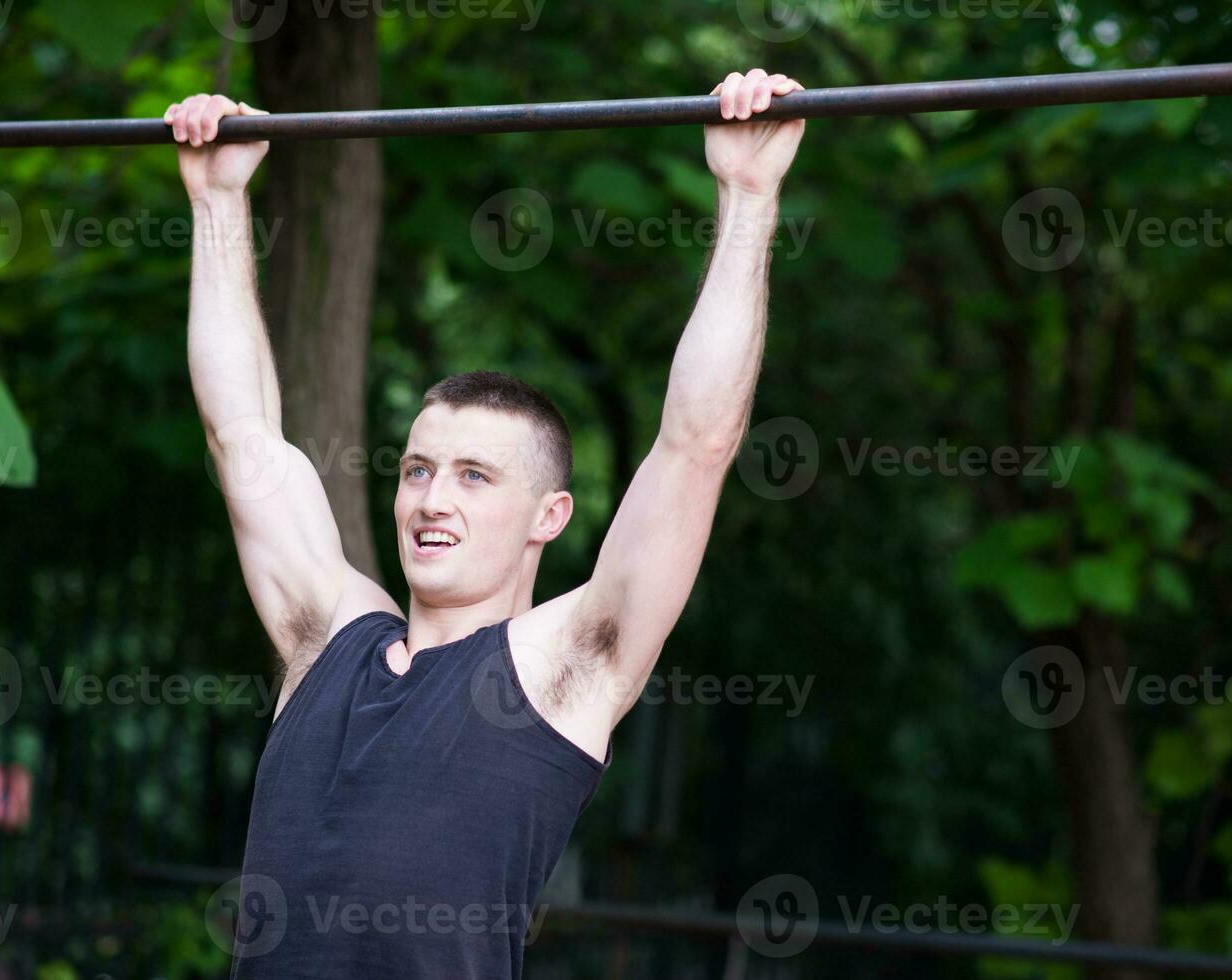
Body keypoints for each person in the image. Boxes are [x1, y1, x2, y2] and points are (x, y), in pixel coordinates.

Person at [165, 66, 806, 979]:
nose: (433, 499)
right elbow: (241, 435)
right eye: (419, 469)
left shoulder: (566, 667)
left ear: (549, 516)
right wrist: (219, 202)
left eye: (474, 476)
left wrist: (747, 194)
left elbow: (695, 444)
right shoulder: (325, 639)